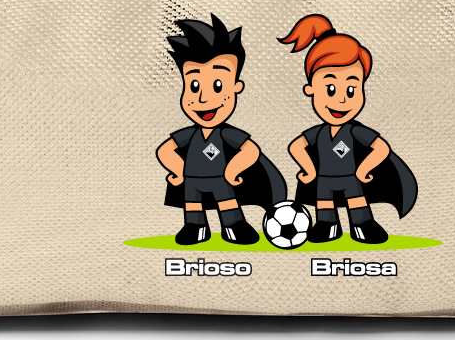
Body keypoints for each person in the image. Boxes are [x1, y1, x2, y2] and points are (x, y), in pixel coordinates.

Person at [280, 13, 418, 244]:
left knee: (357, 205)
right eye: (330, 89)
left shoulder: (355, 131)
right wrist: (310, 170)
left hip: (352, 179)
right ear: (310, 89)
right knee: (325, 209)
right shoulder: (318, 133)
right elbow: (296, 146)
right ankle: (328, 227)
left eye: (352, 89)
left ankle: (362, 226)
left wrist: (364, 169)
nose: (342, 100)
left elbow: (381, 148)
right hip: (323, 181)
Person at [155, 15, 286, 245]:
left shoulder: (226, 134)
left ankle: (233, 226)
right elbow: (165, 150)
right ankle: (196, 227)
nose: (203, 98)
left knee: (227, 203)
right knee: (192, 207)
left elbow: (250, 150)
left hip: (221, 180)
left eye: (217, 86)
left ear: (236, 86)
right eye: (194, 85)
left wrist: (233, 169)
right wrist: (178, 170)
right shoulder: (189, 134)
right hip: (192, 181)